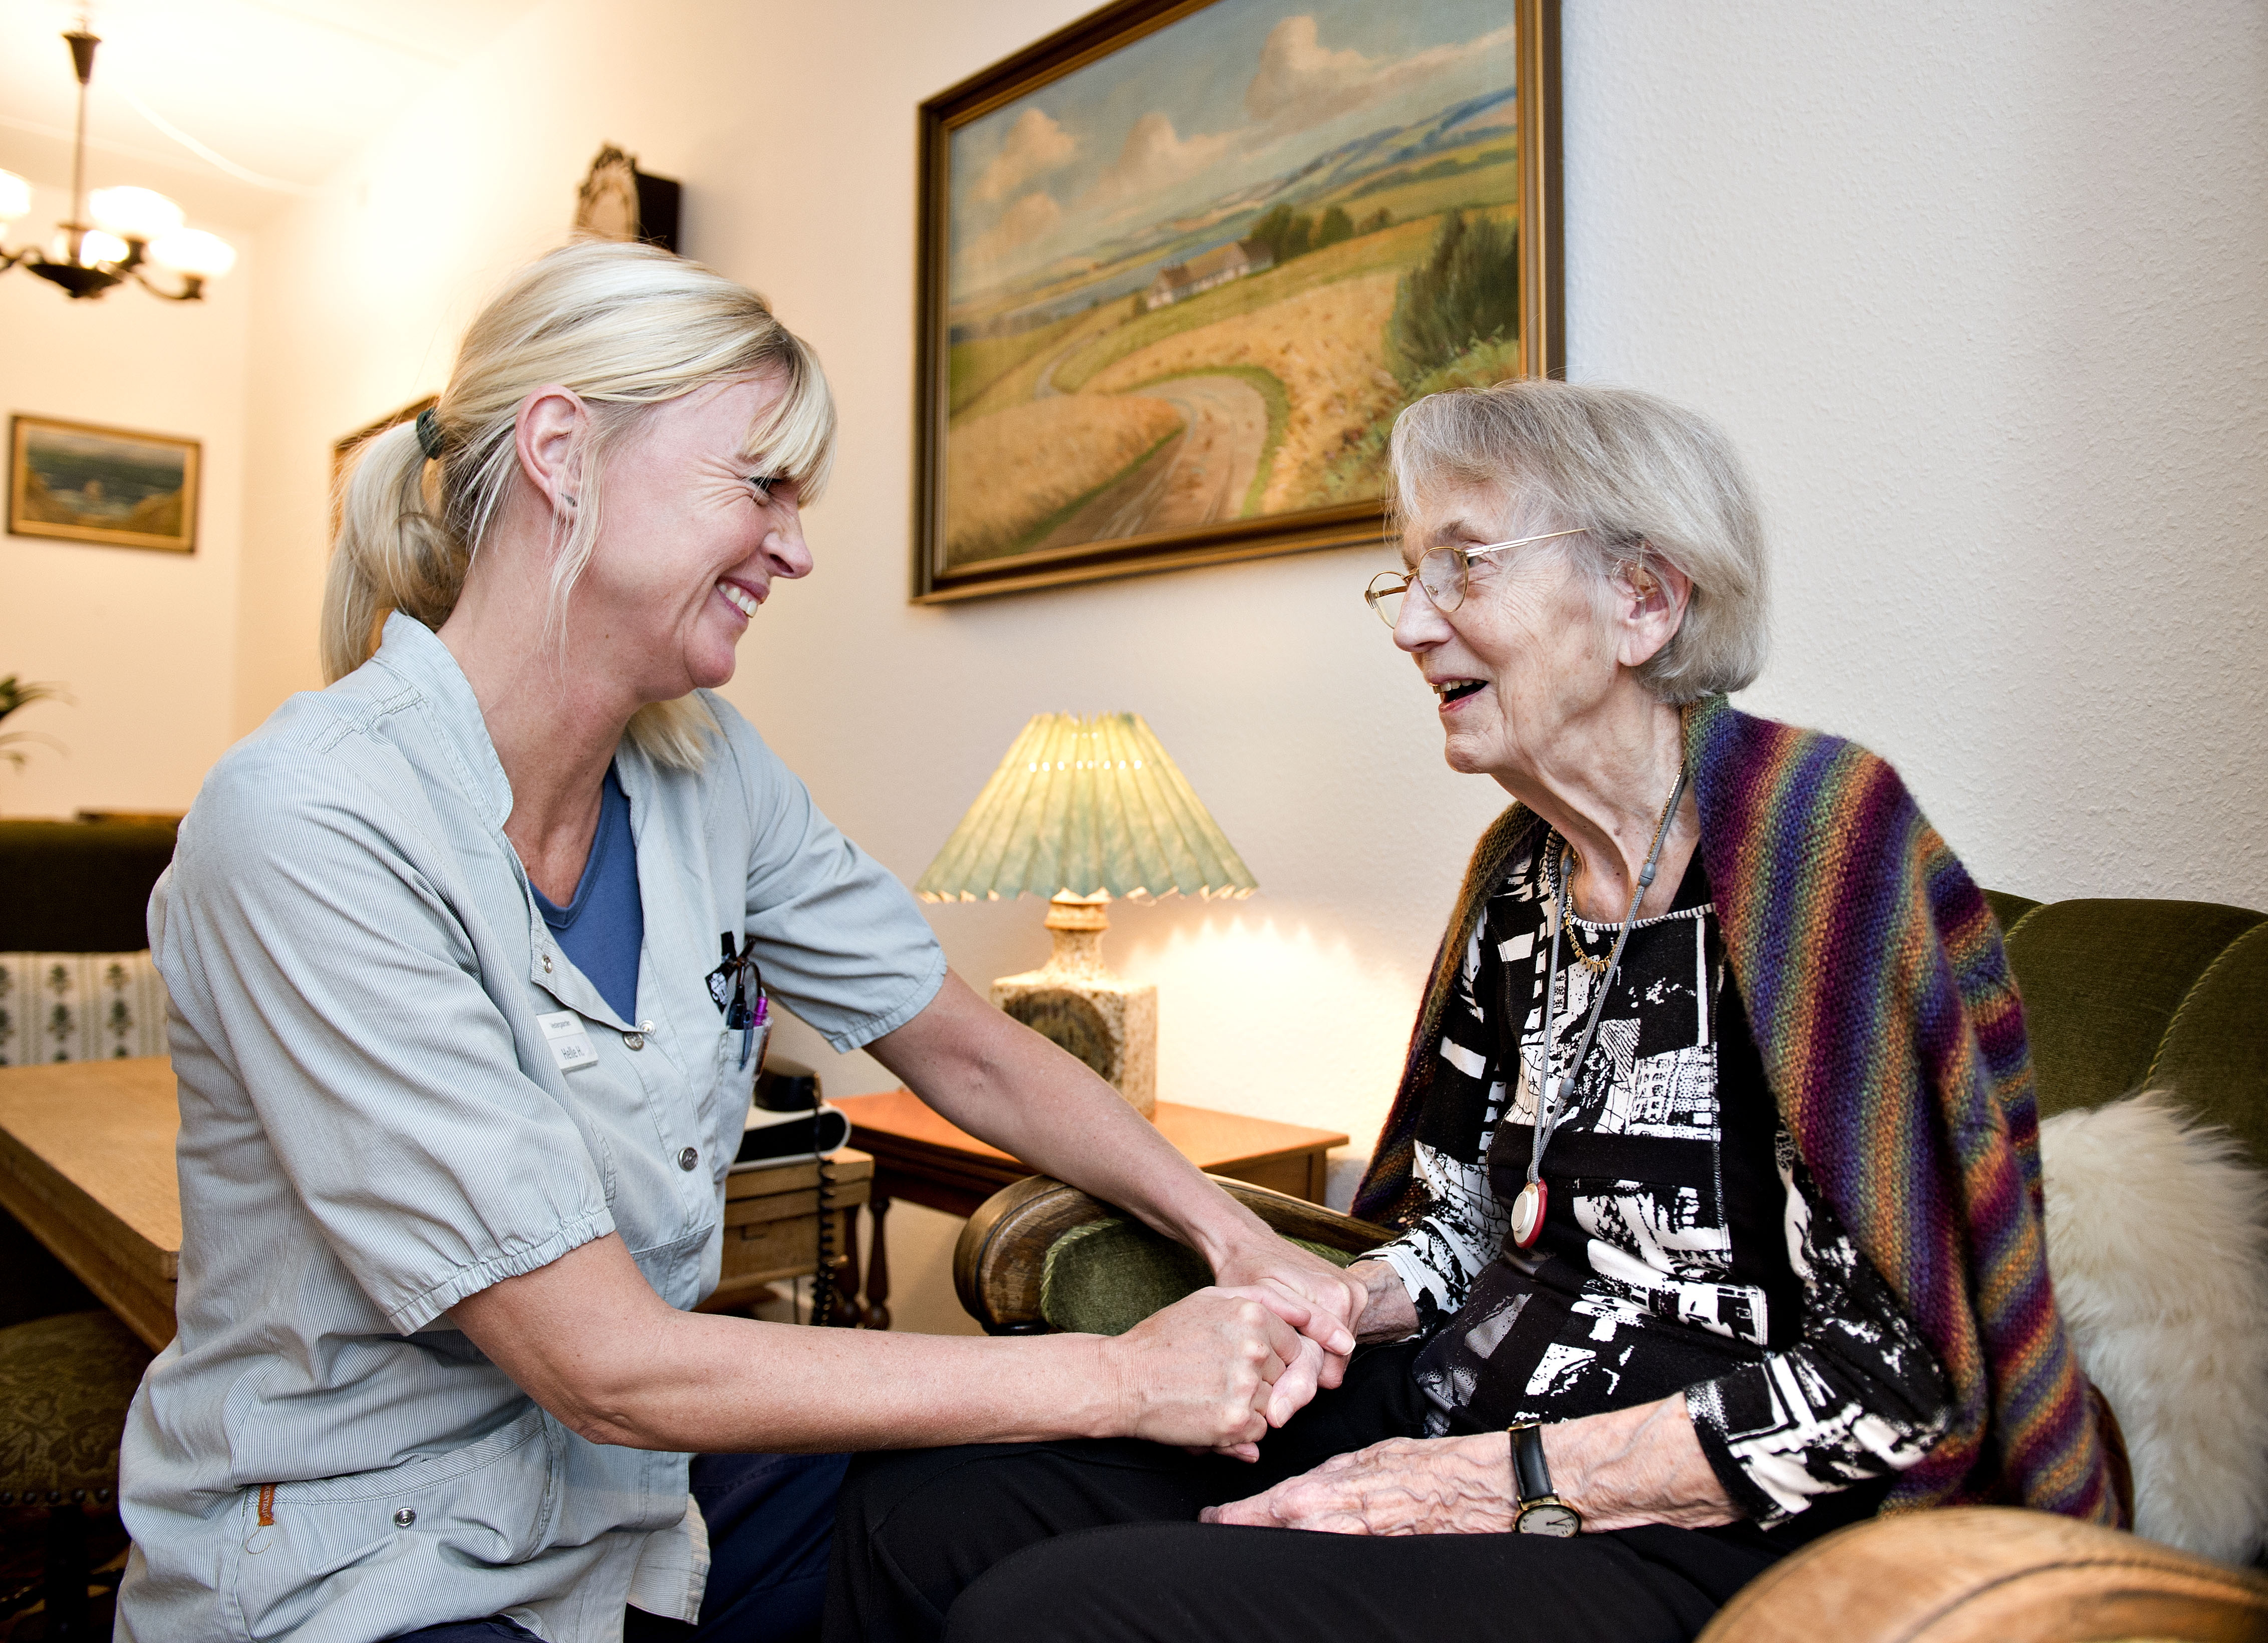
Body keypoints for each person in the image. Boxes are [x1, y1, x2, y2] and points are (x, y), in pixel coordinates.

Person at [114, 239, 1362, 1643]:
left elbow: (968, 1048)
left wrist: (1231, 1237)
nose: (798, 545)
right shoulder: (309, 820)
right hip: (370, 1561)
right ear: (562, 453)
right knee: (1096, 1425)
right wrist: (1125, 1375)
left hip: (632, 1502)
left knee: (1047, 1511)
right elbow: (603, 1363)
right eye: (760, 484)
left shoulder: (709, 768)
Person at [825, 379, 2124, 1643]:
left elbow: (1901, 1376)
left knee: (1044, 1615)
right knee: (917, 1514)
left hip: (1684, 1525)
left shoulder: (1819, 854)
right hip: (1454, 1412)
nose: (1412, 624)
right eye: (1409, 577)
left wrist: (1479, 1489)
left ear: (1644, 600)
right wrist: (1334, 1307)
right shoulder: (1522, 875)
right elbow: (1462, 1229)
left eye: (1466, 566)